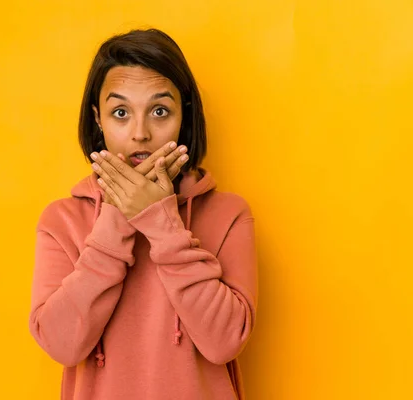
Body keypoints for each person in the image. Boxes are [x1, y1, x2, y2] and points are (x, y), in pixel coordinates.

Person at [29, 28, 258, 400]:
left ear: (184, 116)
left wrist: (161, 222)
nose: (140, 133)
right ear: (98, 120)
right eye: (121, 112)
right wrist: (116, 221)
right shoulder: (61, 221)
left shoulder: (229, 214)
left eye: (160, 111)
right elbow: (61, 345)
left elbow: (224, 342)